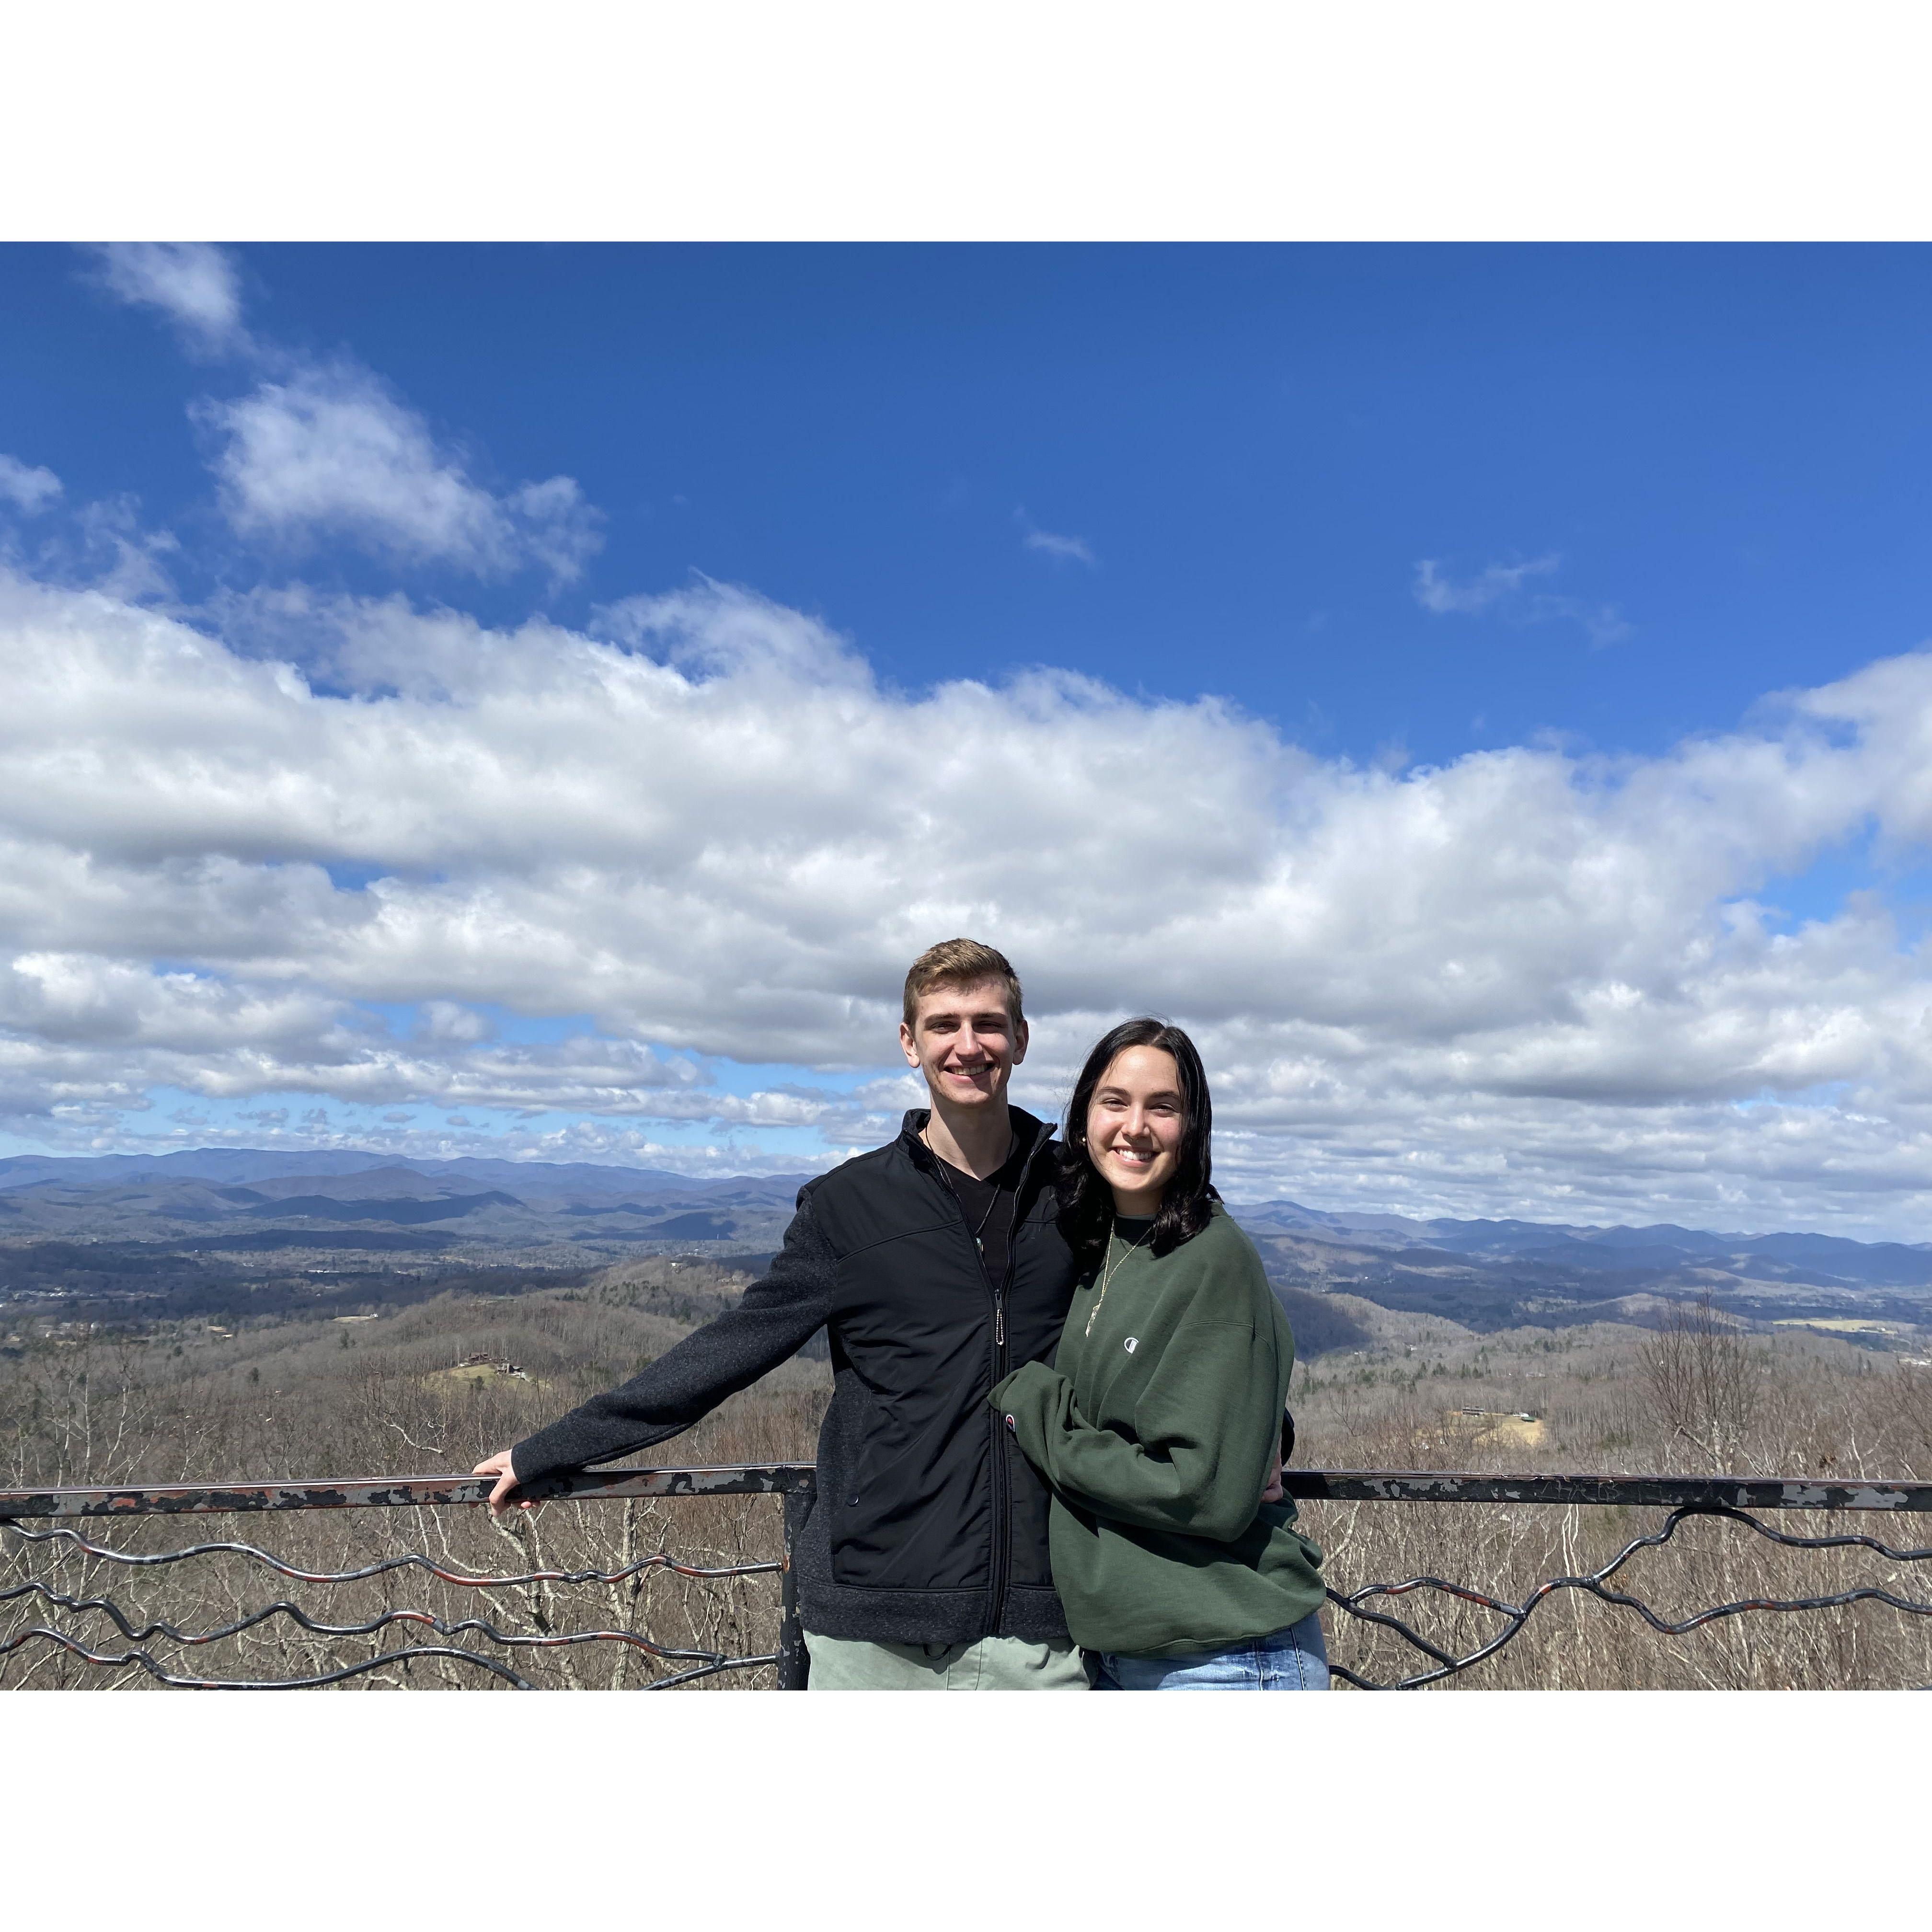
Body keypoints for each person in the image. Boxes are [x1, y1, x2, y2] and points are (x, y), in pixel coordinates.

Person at [473, 939, 1092, 1690]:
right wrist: (558, 1447)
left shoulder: (1081, 1198)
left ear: (1021, 1040)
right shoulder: (848, 1207)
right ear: (909, 1043)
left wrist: (1256, 1438)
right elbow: (735, 1347)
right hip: (874, 1624)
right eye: (943, 1024)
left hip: (1044, 1621)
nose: (968, 1045)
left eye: (989, 1023)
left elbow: (1175, 1324)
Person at [989, 1018, 1329, 1690]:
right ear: (1083, 1119)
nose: (1135, 1126)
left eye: (1162, 1107)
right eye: (1115, 1102)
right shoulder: (1103, 1244)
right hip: (1122, 1653)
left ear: (1193, 1129)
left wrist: (1035, 1409)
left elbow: (1202, 1490)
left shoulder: (1213, 1259)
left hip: (1223, 1658)